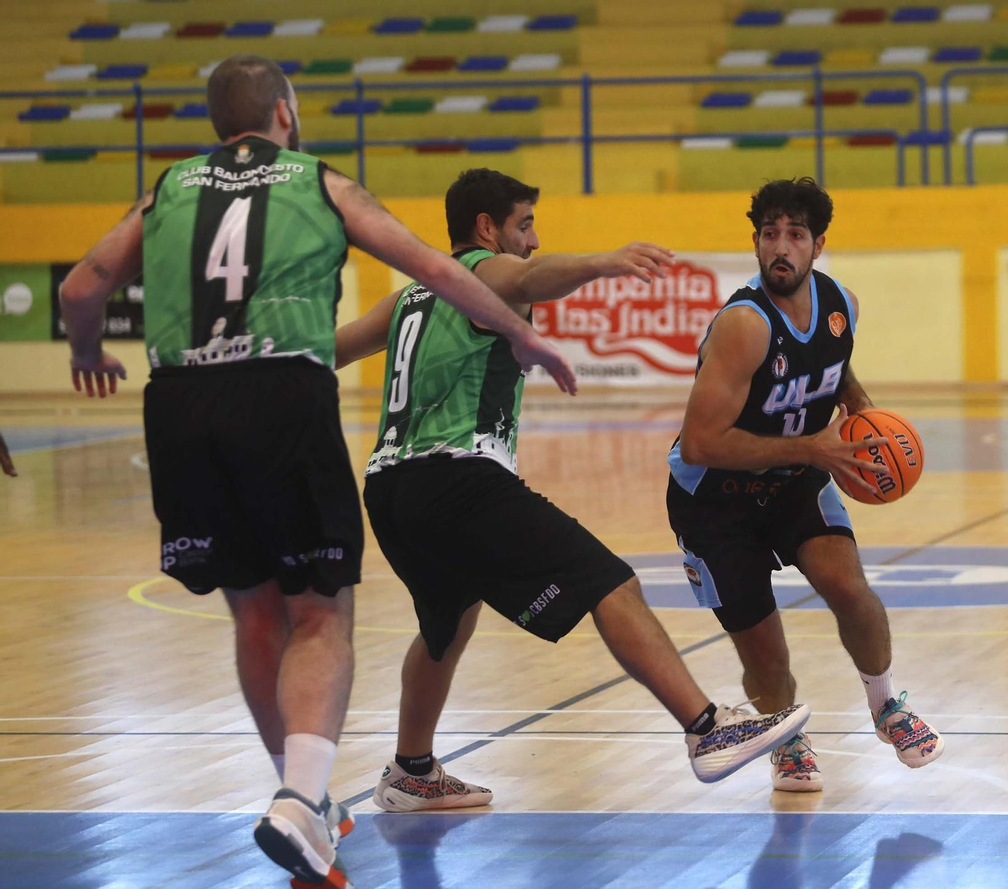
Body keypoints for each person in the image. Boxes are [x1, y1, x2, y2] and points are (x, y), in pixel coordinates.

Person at [58, 56, 574, 887]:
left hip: (180, 400)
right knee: (321, 616)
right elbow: (436, 269)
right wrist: (525, 333)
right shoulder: (318, 181)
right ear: (286, 115)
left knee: (254, 614)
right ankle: (301, 799)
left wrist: (85, 350)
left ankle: (311, 806)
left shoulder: (166, 189)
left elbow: (84, 286)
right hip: (282, 393)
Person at [335, 168, 811, 810]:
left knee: (446, 623)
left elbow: (327, 352)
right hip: (458, 477)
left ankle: (412, 769)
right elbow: (526, 278)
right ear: (486, 229)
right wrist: (604, 263)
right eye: (524, 224)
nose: (532, 240)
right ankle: (707, 728)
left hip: (389, 489)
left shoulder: (410, 299)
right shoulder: (486, 274)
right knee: (610, 583)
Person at [665, 177, 944, 794]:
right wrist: (813, 446)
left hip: (793, 478)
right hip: (715, 498)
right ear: (757, 244)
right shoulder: (744, 325)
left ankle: (887, 705)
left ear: (818, 245)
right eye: (769, 235)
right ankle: (786, 740)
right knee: (767, 657)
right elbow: (701, 443)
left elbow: (834, 363)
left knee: (850, 589)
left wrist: (860, 406)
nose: (780, 248)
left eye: (795, 235)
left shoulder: (841, 303)